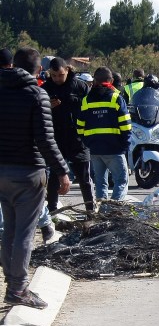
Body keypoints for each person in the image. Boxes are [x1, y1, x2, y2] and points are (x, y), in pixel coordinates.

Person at [0, 47, 70, 308]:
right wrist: (62, 170)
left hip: (2, 171)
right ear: (38, 70)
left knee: (9, 229)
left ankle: (12, 284)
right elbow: (45, 140)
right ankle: (18, 288)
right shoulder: (36, 94)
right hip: (28, 172)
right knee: (24, 234)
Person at [41, 57, 95, 215]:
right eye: (54, 75)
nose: (57, 79)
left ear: (68, 71)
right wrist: (47, 106)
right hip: (55, 137)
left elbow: (89, 109)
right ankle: (52, 211)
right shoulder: (45, 88)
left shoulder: (80, 86)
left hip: (77, 137)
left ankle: (90, 211)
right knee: (53, 177)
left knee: (84, 178)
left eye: (60, 75)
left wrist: (74, 103)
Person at [78, 67, 131, 201]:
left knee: (100, 183)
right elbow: (126, 125)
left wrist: (88, 142)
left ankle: (102, 213)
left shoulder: (86, 100)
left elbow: (79, 126)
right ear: (111, 80)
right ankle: (114, 210)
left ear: (94, 80)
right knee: (121, 180)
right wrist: (125, 145)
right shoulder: (116, 98)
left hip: (95, 149)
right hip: (115, 149)